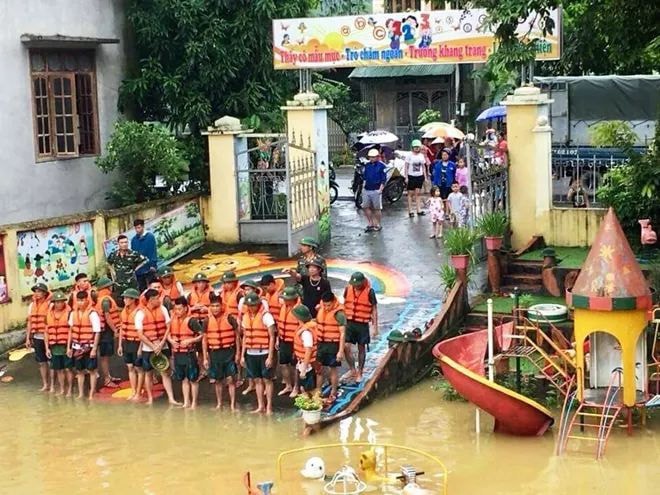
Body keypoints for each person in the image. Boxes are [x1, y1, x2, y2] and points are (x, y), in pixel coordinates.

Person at [135, 288, 180, 406]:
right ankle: (150, 398)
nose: (159, 300)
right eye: (156, 298)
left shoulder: (163, 309)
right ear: (150, 300)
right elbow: (140, 334)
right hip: (148, 348)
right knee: (148, 373)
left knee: (165, 372)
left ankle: (171, 398)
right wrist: (153, 346)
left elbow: (168, 327)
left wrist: (161, 343)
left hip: (162, 345)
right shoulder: (140, 313)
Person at [240, 292, 277, 414]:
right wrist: (242, 355)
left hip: (264, 352)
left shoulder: (266, 316)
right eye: (249, 305)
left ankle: (269, 407)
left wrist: (270, 356)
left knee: (267, 380)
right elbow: (245, 337)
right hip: (251, 353)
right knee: (257, 380)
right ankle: (261, 406)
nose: (251, 307)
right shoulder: (245, 317)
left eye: (253, 305)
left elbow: (272, 336)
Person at [204, 293, 240, 411]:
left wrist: (238, 353)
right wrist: (205, 357)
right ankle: (219, 404)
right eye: (213, 306)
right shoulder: (207, 320)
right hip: (214, 353)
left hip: (228, 352)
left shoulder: (229, 318)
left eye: (217, 306)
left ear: (221, 306)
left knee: (230, 379)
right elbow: (204, 340)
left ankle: (232, 405)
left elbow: (237, 336)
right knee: (218, 380)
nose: (215, 308)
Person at [168, 297, 203, 409]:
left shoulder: (192, 321)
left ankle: (194, 403)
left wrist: (190, 340)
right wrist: (171, 340)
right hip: (178, 353)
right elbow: (167, 334)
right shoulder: (172, 320)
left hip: (189, 353)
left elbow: (202, 335)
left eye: (180, 309)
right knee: (183, 379)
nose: (177, 311)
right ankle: (186, 402)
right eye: (176, 309)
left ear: (185, 308)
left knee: (193, 379)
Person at [343, 272, 378, 383]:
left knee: (361, 348)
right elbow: (345, 303)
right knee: (345, 346)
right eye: (354, 284)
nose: (356, 286)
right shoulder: (348, 289)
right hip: (349, 322)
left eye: (358, 284)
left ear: (363, 282)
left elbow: (374, 309)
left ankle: (360, 372)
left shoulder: (370, 292)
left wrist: (375, 327)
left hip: (362, 324)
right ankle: (352, 369)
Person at [67, 291, 101, 400]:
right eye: (79, 300)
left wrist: (94, 349)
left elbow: (97, 332)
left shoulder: (92, 313)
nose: (81, 303)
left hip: (89, 346)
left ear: (87, 300)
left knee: (92, 370)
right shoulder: (73, 313)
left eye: (83, 300)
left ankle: (92, 393)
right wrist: (69, 347)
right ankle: (81, 393)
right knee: (79, 371)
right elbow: (71, 331)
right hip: (77, 346)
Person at [315, 292, 346, 403]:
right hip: (321, 343)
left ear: (333, 302)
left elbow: (342, 333)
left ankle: (333, 391)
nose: (326, 307)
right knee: (319, 368)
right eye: (325, 305)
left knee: (333, 369)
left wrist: (340, 351)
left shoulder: (339, 314)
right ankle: (318, 391)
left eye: (328, 305)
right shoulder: (321, 308)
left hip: (333, 344)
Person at [94, 277, 121, 389]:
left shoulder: (100, 298)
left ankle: (108, 376)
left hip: (103, 330)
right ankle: (106, 379)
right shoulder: (105, 300)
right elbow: (107, 316)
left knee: (106, 356)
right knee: (104, 356)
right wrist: (115, 330)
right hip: (105, 331)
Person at [44, 291, 72, 396]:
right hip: (54, 346)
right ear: (53, 303)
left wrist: (69, 347)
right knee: (59, 369)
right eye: (57, 302)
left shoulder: (69, 313)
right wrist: (47, 348)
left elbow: (70, 331)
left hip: (65, 345)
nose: (59, 304)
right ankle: (62, 389)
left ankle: (69, 389)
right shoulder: (48, 315)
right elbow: (46, 332)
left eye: (61, 302)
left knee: (68, 369)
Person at [107, 234, 149, 302]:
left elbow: (145, 260)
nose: (124, 244)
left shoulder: (133, 254)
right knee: (120, 305)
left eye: (126, 242)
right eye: (122, 242)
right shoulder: (114, 254)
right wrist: (113, 272)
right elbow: (108, 262)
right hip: (119, 286)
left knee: (134, 304)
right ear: (118, 244)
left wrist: (136, 269)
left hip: (131, 285)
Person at [117, 288, 142, 401]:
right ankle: (133, 390)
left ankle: (138, 391)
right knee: (130, 367)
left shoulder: (139, 312)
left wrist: (140, 348)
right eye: (124, 298)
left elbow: (142, 332)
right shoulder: (123, 312)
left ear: (133, 300)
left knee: (138, 368)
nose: (124, 300)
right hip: (126, 342)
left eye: (127, 298)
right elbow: (122, 328)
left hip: (136, 342)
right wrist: (120, 345)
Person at [26, 282, 52, 391]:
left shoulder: (50, 304)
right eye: (36, 291)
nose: (37, 293)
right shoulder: (32, 305)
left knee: (51, 362)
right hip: (37, 337)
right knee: (42, 362)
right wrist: (28, 338)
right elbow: (30, 322)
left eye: (39, 291)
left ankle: (52, 384)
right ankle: (45, 384)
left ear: (45, 293)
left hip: (49, 337)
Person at [276, 286, 301, 397]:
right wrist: (278, 338)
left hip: (294, 342)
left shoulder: (299, 309)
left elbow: (301, 328)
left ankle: (296, 386)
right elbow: (279, 325)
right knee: (283, 364)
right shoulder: (283, 307)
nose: (284, 300)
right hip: (283, 340)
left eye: (286, 298)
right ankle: (288, 385)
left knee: (294, 365)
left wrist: (298, 346)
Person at [291, 304, 319, 396]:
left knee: (307, 389)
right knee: (303, 388)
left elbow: (308, 350)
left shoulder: (306, 332)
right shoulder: (303, 328)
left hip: (308, 365)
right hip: (302, 362)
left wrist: (304, 369)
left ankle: (311, 407)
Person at [362, 148, 387, 232]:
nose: (372, 158)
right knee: (365, 207)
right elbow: (365, 177)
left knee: (377, 208)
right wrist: (363, 187)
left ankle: (377, 223)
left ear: (377, 157)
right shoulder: (367, 165)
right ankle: (370, 223)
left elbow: (383, 179)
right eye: (370, 157)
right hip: (367, 189)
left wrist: (380, 189)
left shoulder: (381, 166)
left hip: (376, 189)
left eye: (373, 157)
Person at [131, 219, 158, 292]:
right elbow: (134, 255)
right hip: (139, 269)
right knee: (142, 289)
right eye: (136, 228)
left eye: (139, 227)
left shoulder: (150, 237)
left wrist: (153, 265)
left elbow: (153, 251)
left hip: (149, 267)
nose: (137, 230)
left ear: (143, 227)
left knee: (152, 288)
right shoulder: (134, 240)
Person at [404, 139, 428, 217]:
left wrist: (425, 177)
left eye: (418, 147)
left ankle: (418, 210)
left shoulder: (421, 156)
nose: (417, 148)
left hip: (419, 176)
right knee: (410, 194)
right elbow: (406, 166)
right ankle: (410, 211)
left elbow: (424, 167)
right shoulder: (409, 156)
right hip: (411, 176)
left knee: (418, 193)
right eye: (415, 147)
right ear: (412, 147)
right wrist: (406, 177)